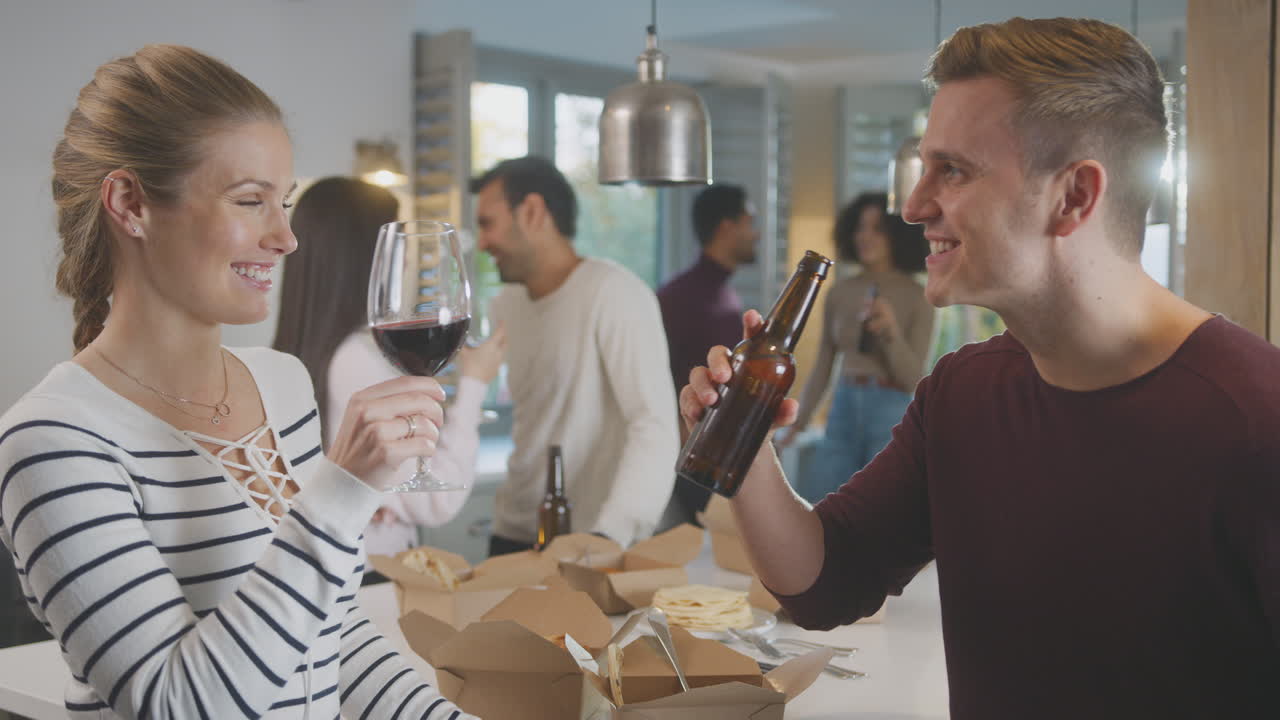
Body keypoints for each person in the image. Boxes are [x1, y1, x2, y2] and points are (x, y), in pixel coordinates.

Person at [679, 18, 1279, 719]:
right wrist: (745, 452)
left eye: (954, 171)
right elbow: (825, 580)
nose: (913, 206)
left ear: (1074, 196)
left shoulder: (1256, 421)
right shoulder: (961, 394)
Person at [0, 45, 474, 719]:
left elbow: (333, 640)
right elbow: (178, 705)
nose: (286, 238)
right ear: (131, 204)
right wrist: (343, 491)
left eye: (284, 203)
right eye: (251, 201)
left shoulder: (280, 383)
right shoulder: (50, 440)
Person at [272, 176, 506, 563]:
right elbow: (436, 501)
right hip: (373, 574)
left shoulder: (301, 350)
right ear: (365, 254)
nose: (411, 259)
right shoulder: (359, 359)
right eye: (395, 247)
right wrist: (475, 383)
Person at [471, 156, 679, 553]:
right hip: (513, 533)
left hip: (590, 538)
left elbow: (654, 425)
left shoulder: (614, 293)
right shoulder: (505, 306)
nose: (482, 242)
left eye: (487, 223)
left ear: (532, 211)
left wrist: (611, 534)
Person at [776, 192, 933, 503]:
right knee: (821, 503)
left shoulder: (918, 296)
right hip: (843, 407)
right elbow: (823, 364)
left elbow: (914, 380)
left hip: (891, 413)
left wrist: (890, 334)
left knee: (885, 510)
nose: (864, 236)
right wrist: (799, 423)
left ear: (895, 235)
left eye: (876, 229)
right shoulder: (839, 292)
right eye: (860, 227)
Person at [656, 183, 758, 526]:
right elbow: (657, 379)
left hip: (722, 451)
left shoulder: (723, 294)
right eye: (750, 222)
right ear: (727, 227)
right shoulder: (678, 298)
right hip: (694, 456)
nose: (756, 233)